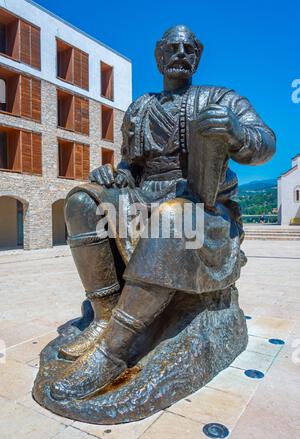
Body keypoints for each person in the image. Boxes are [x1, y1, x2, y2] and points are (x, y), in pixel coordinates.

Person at [51, 25, 276, 400]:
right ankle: (104, 315)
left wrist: (236, 132)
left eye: (190, 48)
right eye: (173, 47)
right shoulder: (140, 108)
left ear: (198, 56)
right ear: (158, 55)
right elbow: (131, 166)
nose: (181, 53)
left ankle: (114, 352)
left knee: (175, 218)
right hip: (142, 197)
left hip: (204, 207)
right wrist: (115, 173)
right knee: (81, 201)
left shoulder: (219, 98)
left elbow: (265, 142)